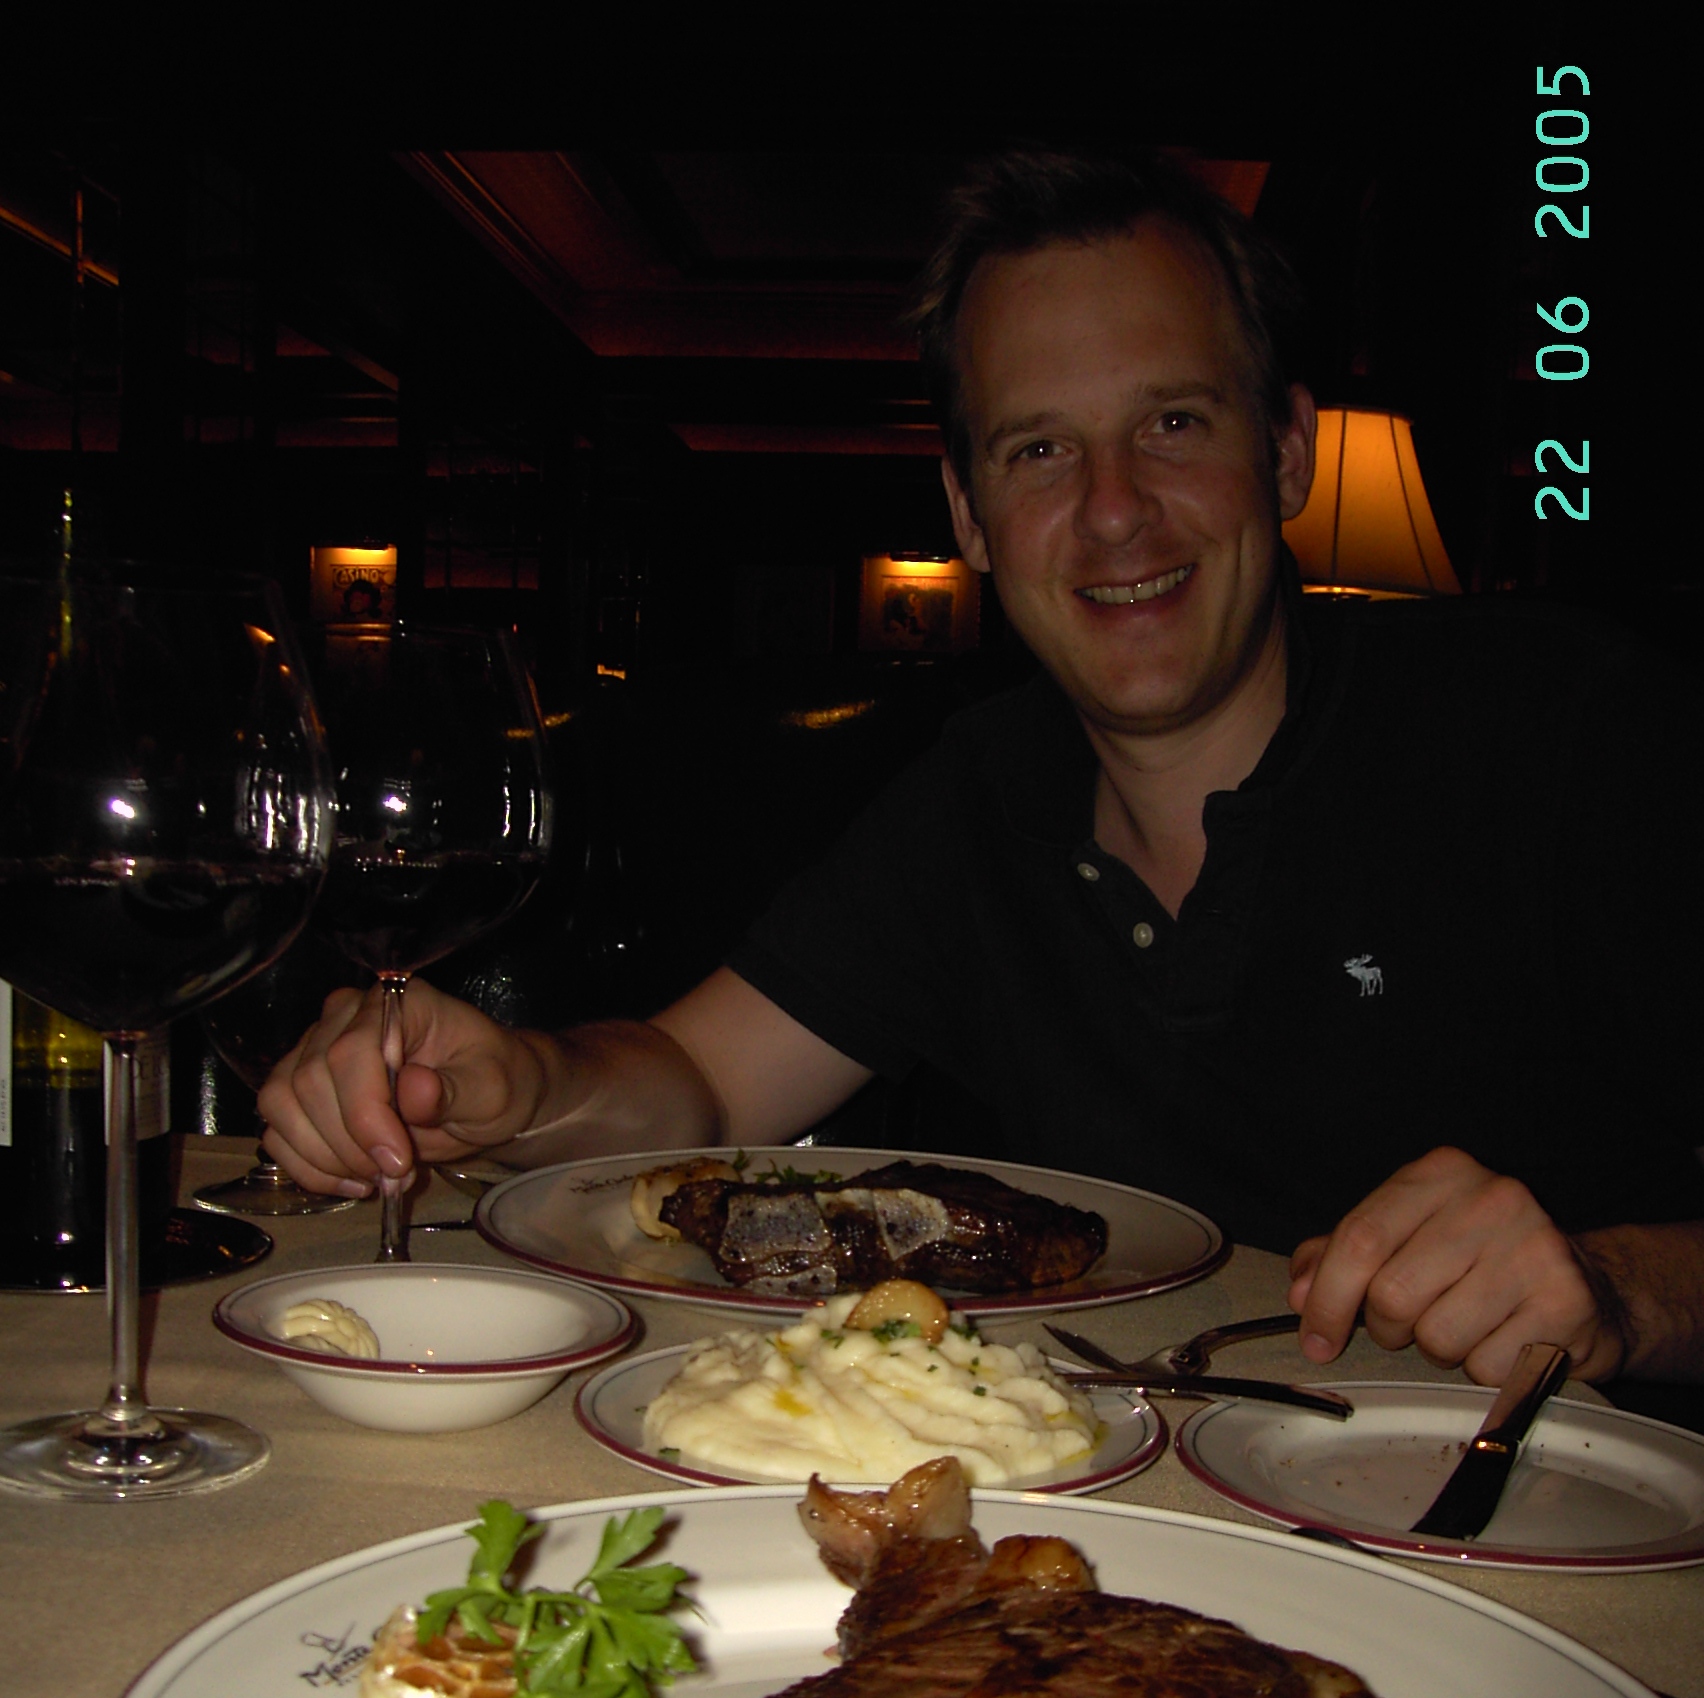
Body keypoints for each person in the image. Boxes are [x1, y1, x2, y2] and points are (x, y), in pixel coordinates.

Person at [260, 149, 1704, 1391]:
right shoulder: (977, 797)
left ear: (1286, 452)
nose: (1115, 511)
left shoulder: (1569, 727)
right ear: (968, 514)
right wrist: (518, 1086)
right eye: (1040, 450)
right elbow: (699, 1083)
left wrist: (1621, 1287)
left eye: (1174, 423)